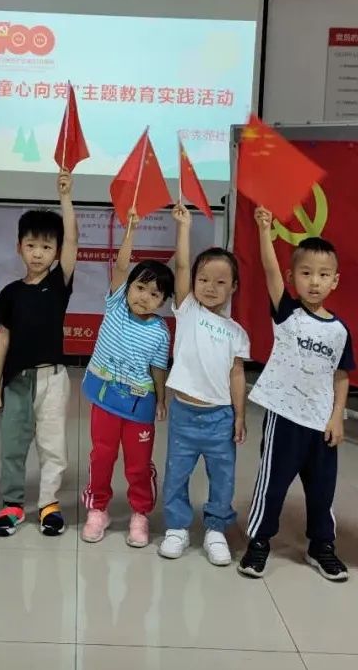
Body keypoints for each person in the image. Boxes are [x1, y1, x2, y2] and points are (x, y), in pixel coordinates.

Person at [238, 208, 354, 582]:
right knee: (272, 485)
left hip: (322, 424)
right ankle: (258, 543)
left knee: (322, 490)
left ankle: (322, 546)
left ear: (335, 281)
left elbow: (341, 375)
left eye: (323, 275)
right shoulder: (287, 313)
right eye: (306, 274)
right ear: (293, 278)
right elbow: (270, 272)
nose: (314, 282)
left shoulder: (340, 331)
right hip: (285, 419)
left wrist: (338, 415)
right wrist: (264, 231)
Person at [159, 204, 250, 566]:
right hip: (184, 413)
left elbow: (237, 376)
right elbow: (181, 266)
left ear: (234, 287)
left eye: (220, 282)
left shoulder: (236, 333)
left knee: (223, 477)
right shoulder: (188, 309)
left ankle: (215, 529)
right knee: (176, 473)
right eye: (203, 280)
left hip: (219, 418)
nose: (210, 288)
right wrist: (184, 228)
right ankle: (177, 527)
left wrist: (239, 416)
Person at [0, 172, 78, 537]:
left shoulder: (58, 285)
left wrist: (66, 199)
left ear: (56, 252)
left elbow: (72, 238)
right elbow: (2, 337)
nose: (38, 253)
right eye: (31, 245)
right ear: (19, 247)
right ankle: (11, 505)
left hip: (52, 379)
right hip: (16, 381)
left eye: (46, 246)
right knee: (12, 445)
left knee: (52, 445)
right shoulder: (10, 292)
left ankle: (48, 505)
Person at [81, 211, 173, 546]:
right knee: (102, 455)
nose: (143, 297)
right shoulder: (116, 306)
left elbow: (158, 370)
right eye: (140, 287)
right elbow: (120, 267)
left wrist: (161, 400)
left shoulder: (161, 332)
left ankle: (139, 514)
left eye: (154, 294)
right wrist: (130, 229)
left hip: (139, 406)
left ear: (164, 302)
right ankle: (98, 509)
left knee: (138, 464)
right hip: (105, 399)